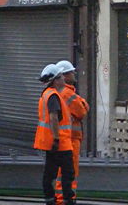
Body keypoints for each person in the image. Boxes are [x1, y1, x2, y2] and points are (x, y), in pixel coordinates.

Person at [33, 63, 75, 205]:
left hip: (53, 142)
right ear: (55, 80)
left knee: (51, 172)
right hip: (60, 142)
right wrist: (57, 139)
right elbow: (53, 117)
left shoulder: (48, 94)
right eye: (61, 76)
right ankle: (67, 199)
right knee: (67, 173)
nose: (64, 78)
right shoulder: (53, 96)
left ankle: (50, 198)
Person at [54, 60, 89, 205]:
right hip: (70, 138)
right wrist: (83, 103)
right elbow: (82, 110)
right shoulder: (67, 93)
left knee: (62, 171)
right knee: (70, 171)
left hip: (64, 138)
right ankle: (66, 199)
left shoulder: (61, 91)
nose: (74, 74)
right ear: (65, 75)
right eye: (71, 72)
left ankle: (63, 198)